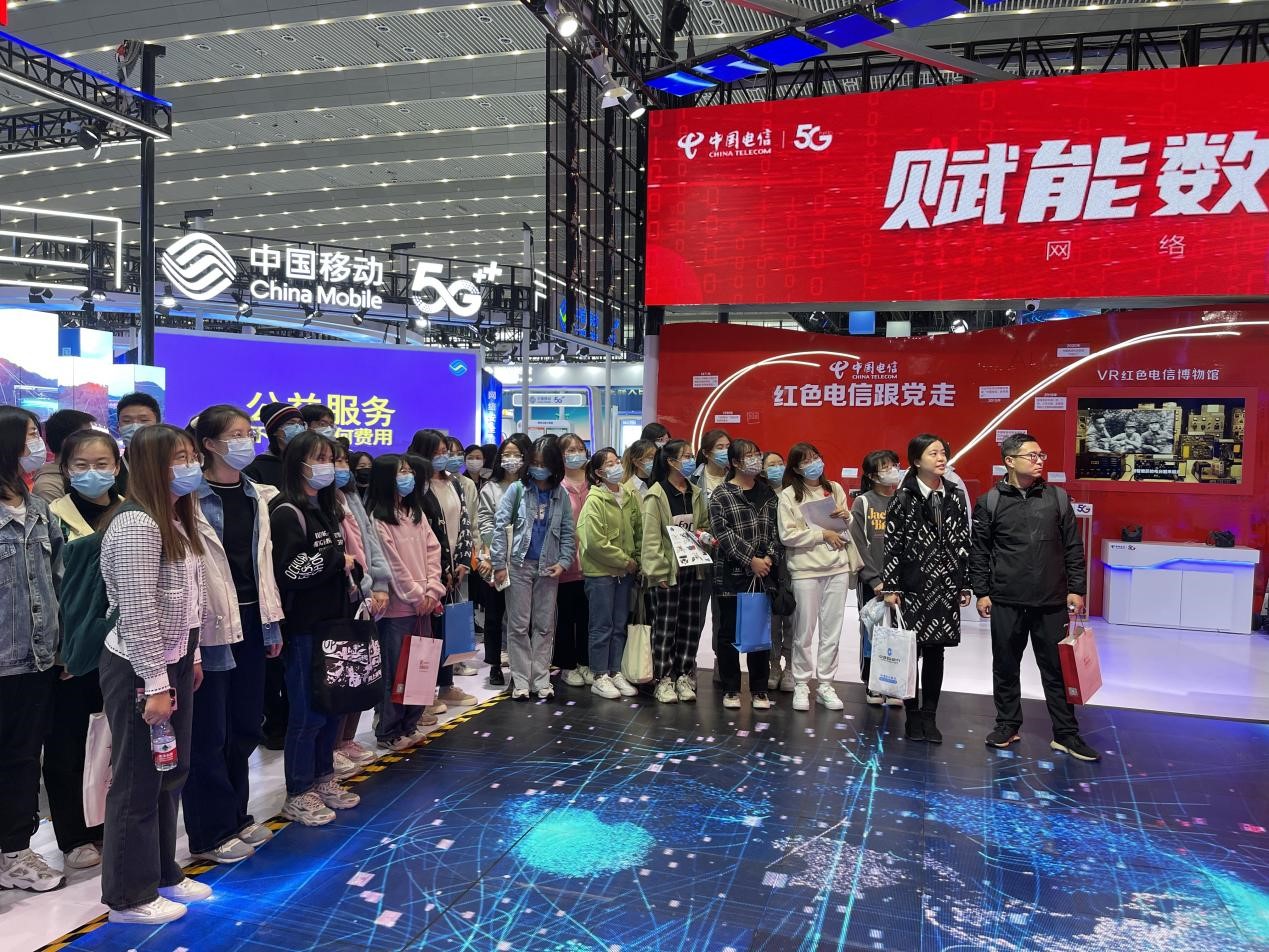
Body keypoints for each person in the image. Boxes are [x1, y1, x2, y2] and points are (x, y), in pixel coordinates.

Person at [98, 423, 208, 923]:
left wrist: (192, 657)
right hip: (140, 666)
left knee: (169, 772)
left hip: (175, 658)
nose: (190, 466)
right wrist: (157, 683)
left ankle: (163, 871)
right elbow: (138, 610)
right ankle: (128, 895)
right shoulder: (137, 525)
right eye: (177, 458)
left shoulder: (179, 516)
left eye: (191, 455)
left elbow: (188, 597)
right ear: (148, 465)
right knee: (138, 780)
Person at [181, 406, 286, 865]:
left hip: (253, 622)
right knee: (209, 732)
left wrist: (271, 623)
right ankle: (209, 831)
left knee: (244, 726)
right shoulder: (189, 498)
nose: (246, 441)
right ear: (209, 444)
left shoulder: (256, 494)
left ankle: (236, 816)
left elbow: (262, 565)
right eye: (236, 434)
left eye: (249, 433)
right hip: (209, 627)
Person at [970, 433, 1099, 762]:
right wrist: (981, 591)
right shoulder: (990, 501)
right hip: (1006, 599)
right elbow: (980, 551)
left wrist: (1076, 588)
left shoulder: (1057, 498)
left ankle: (1066, 733)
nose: (1040, 460)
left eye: (1041, 455)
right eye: (1032, 455)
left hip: (1051, 600)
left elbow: (1073, 547)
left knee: (1057, 670)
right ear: (1010, 461)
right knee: (1005, 666)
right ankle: (1007, 725)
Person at [269, 431, 363, 827]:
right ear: (299, 463)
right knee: (306, 713)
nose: (328, 466)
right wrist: (336, 560)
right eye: (320, 458)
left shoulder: (325, 507)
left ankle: (323, 777)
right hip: (305, 628)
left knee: (331, 707)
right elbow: (291, 571)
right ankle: (298, 790)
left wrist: (350, 566)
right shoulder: (285, 511)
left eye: (332, 458)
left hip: (335, 623)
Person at [43, 429, 122, 871]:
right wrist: (64, 649)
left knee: (114, 742)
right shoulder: (52, 516)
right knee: (69, 745)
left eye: (102, 464)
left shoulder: (131, 511)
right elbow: (49, 591)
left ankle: (108, 821)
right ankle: (74, 834)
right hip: (70, 656)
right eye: (82, 465)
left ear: (117, 465)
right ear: (65, 468)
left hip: (122, 649)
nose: (93, 472)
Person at [0, 406, 66, 894]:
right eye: (28, 435)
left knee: (24, 759)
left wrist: (63, 647)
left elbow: (58, 580)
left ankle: (15, 852)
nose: (37, 444)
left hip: (37, 658)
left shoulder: (40, 509)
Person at [881, 434, 971, 745]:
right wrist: (891, 587)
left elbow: (963, 541)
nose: (941, 458)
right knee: (910, 652)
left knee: (936, 651)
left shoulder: (955, 496)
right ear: (917, 461)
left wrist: (965, 582)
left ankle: (930, 715)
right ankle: (912, 714)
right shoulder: (903, 498)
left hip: (945, 587)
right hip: (912, 588)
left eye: (943, 452)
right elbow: (892, 545)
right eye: (933, 453)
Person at [367, 454, 445, 751]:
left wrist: (432, 590)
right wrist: (416, 595)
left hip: (424, 604)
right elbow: (392, 565)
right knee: (395, 673)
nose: (408, 477)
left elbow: (433, 551)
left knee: (420, 669)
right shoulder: (378, 519)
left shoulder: (415, 512)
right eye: (401, 472)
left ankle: (410, 723)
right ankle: (389, 730)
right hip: (398, 610)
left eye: (409, 471)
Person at [492, 436, 575, 701]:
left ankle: (541, 680)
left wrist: (564, 562)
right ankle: (520, 681)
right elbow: (500, 527)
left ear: (554, 465)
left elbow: (568, 532)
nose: (539, 468)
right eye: (535, 463)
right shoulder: (517, 490)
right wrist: (499, 565)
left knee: (544, 626)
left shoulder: (560, 494)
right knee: (517, 626)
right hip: (518, 565)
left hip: (549, 567)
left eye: (544, 463)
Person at [776, 442, 854, 713]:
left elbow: (845, 527)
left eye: (816, 457)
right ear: (796, 468)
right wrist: (822, 534)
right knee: (803, 630)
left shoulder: (834, 488)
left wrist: (846, 517)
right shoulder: (789, 495)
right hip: (805, 570)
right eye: (806, 461)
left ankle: (825, 684)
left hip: (837, 566)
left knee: (832, 630)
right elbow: (787, 535)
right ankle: (801, 683)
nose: (814, 464)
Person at [331, 441, 391, 769]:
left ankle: (347, 738)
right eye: (333, 461)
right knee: (340, 675)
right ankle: (332, 744)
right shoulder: (320, 502)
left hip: (366, 592)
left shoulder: (351, 497)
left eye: (343, 461)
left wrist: (379, 584)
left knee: (361, 673)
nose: (340, 468)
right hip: (343, 597)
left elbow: (370, 542)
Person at [408, 430, 478, 706]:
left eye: (445, 452)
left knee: (448, 629)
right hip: (429, 569)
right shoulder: (418, 487)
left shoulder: (454, 482)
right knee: (429, 634)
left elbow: (463, 523)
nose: (443, 457)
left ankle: (447, 685)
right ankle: (423, 694)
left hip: (453, 567)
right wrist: (440, 569)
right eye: (436, 452)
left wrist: (462, 562)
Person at [709, 439, 778, 710]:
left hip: (763, 575)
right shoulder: (722, 494)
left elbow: (777, 530)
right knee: (728, 632)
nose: (755, 460)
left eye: (757, 454)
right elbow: (722, 533)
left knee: (759, 632)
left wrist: (768, 558)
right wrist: (751, 559)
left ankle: (759, 689)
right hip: (731, 573)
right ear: (735, 462)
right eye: (749, 456)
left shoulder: (768, 493)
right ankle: (731, 688)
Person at [640, 439, 710, 704]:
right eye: (686, 456)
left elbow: (703, 524)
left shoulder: (695, 492)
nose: (691, 460)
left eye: (691, 456)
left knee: (689, 625)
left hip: (693, 568)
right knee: (665, 627)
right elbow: (651, 538)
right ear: (671, 462)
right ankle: (663, 678)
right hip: (668, 572)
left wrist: (704, 536)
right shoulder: (657, 495)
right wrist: (657, 571)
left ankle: (683, 674)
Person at [576, 447, 641, 700]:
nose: (616, 467)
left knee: (619, 624)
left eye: (617, 461)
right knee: (601, 625)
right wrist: (625, 561)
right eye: (610, 464)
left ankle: (615, 670)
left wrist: (635, 559)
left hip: (625, 573)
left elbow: (637, 531)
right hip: (601, 573)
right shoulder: (594, 500)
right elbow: (594, 543)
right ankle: (599, 674)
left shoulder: (628, 496)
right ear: (599, 472)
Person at [849, 449, 903, 707]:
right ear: (871, 475)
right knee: (873, 631)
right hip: (873, 582)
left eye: (894, 465)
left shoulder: (904, 499)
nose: (892, 470)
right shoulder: (863, 502)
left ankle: (894, 684)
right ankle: (872, 683)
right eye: (885, 467)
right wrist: (874, 580)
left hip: (901, 582)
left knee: (898, 632)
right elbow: (858, 543)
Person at [478, 437, 523, 687]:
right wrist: (493, 555)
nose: (511, 459)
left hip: (523, 559)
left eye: (516, 454)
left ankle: (520, 665)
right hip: (495, 558)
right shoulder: (490, 488)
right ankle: (495, 664)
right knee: (495, 615)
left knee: (521, 618)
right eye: (507, 454)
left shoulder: (530, 486)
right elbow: (485, 523)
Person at [554, 433, 592, 687]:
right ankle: (567, 665)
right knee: (566, 617)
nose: (576, 453)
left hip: (593, 564)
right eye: (570, 450)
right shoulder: (557, 485)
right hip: (565, 563)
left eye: (580, 448)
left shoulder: (594, 482)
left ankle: (585, 662)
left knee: (588, 617)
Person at [761, 449, 793, 691]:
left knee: (792, 617)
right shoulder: (761, 494)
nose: (777, 468)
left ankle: (790, 666)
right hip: (768, 563)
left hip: (793, 562)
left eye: (780, 463)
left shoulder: (794, 492)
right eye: (771, 465)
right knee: (771, 619)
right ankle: (774, 665)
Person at [32, 408, 95, 502]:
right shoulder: (48, 487)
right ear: (67, 442)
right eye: (87, 436)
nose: (94, 440)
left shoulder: (87, 473)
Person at [243, 402, 306, 493]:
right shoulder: (256, 469)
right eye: (291, 423)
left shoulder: (306, 463)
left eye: (300, 423)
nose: (298, 427)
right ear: (275, 431)